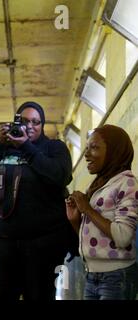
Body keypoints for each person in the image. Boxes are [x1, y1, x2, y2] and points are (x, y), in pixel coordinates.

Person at [0, 101, 77, 300]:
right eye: (25, 121)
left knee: (40, 295)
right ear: (15, 121)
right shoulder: (2, 150)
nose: (30, 126)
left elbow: (60, 176)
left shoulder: (54, 148)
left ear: (42, 126)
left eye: (36, 122)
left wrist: (26, 146)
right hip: (3, 244)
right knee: (3, 296)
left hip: (45, 243)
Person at [66, 125, 138, 300]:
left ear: (114, 151)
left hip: (116, 276)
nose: (87, 154)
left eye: (95, 147)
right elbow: (96, 240)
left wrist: (87, 209)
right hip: (92, 275)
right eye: (87, 148)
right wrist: (75, 220)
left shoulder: (127, 184)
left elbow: (123, 237)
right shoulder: (100, 185)